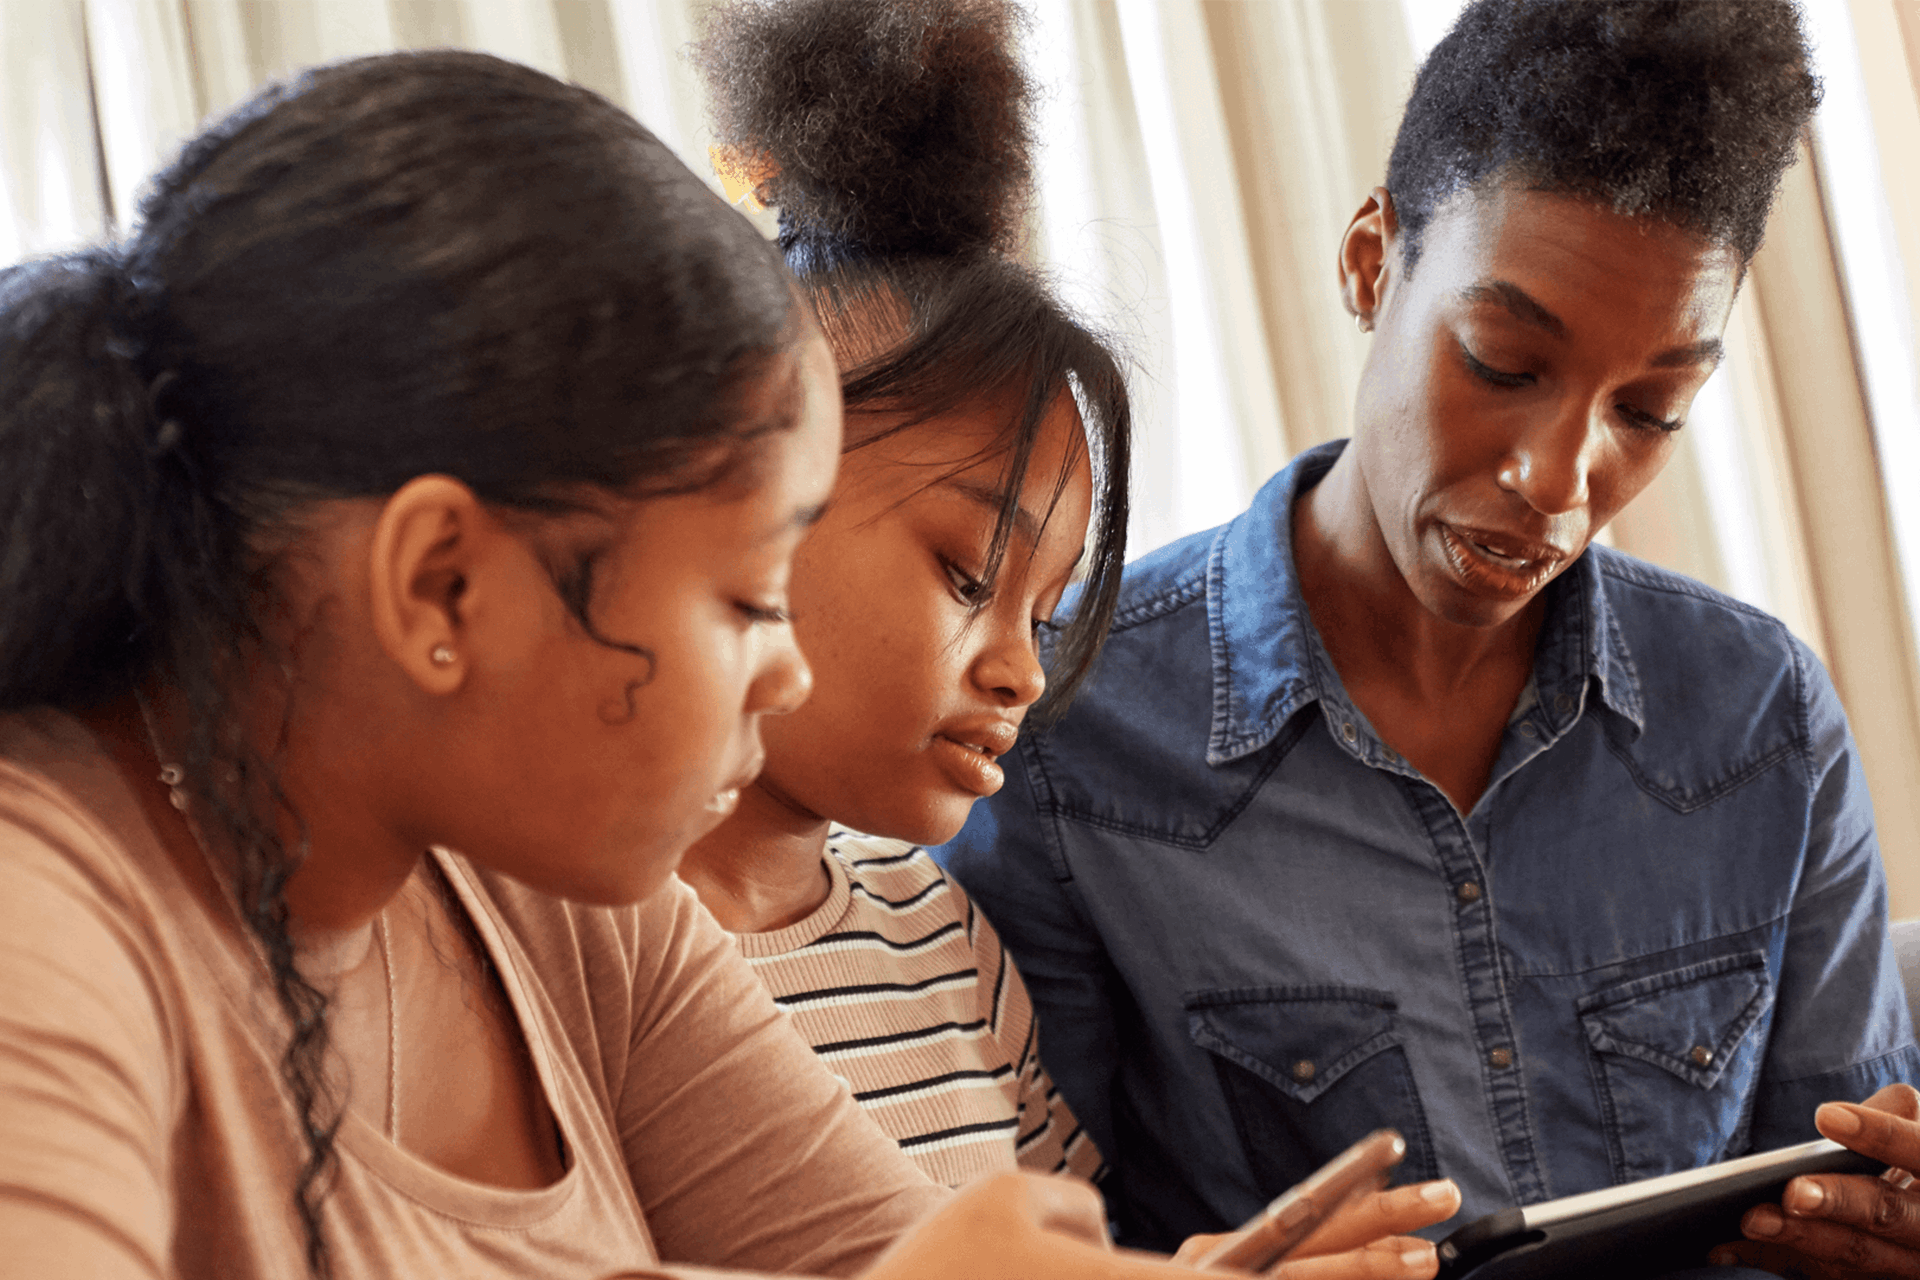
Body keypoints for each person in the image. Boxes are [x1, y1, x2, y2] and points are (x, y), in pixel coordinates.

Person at [0, 48, 1333, 1280]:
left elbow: (884, 1252)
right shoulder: (43, 917)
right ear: (441, 585)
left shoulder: (562, 907)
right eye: (751, 595)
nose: (785, 674)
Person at [938, 0, 1920, 1260]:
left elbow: (1840, 1189)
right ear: (1369, 261)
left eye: (1653, 407)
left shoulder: (1760, 720)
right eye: (1505, 362)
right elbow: (1028, 1237)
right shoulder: (1065, 719)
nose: (1560, 479)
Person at [683, 6, 1463, 1265]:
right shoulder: (581, 949)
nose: (1023, 669)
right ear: (746, 499)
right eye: (963, 574)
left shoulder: (940, 940)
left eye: (1043, 612)